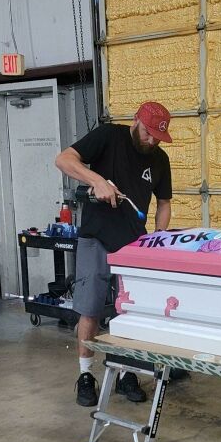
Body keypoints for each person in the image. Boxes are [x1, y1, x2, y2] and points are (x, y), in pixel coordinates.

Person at [55, 101, 174, 407]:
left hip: (133, 244)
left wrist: (158, 238)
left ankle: (125, 372)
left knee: (130, 311)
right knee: (91, 307)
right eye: (148, 133)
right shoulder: (109, 136)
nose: (151, 141)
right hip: (97, 236)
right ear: (136, 121)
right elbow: (64, 159)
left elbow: (163, 202)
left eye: (157, 138)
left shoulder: (160, 159)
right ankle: (85, 374)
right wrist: (96, 180)